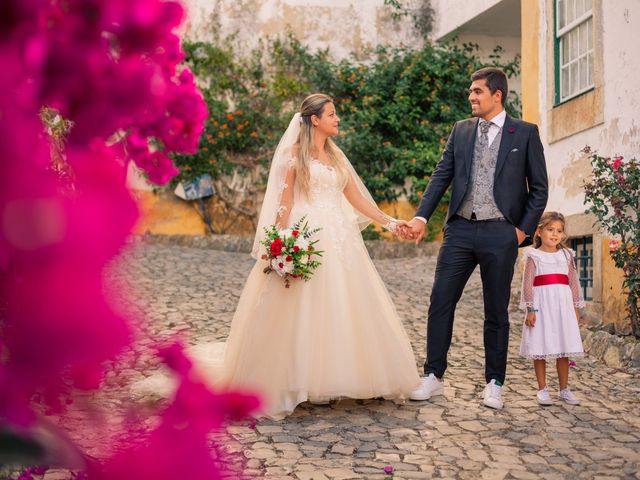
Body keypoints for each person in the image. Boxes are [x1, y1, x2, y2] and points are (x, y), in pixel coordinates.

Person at [200, 93, 421, 419]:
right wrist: (279, 243)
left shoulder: (336, 156)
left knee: (342, 306)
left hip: (342, 241)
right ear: (314, 119)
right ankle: (293, 382)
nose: (337, 119)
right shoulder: (293, 156)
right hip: (306, 236)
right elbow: (284, 202)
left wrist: (390, 222)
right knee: (300, 309)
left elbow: (356, 198)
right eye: (331, 114)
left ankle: (335, 377)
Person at [402, 67, 548, 409]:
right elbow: (442, 174)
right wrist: (422, 215)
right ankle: (433, 375)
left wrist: (520, 231)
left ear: (497, 95)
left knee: (495, 310)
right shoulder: (462, 130)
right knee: (441, 300)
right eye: (471, 91)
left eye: (477, 91)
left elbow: (539, 189)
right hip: (460, 230)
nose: (471, 97)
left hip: (502, 231)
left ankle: (494, 382)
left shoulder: (524, 133)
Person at [519, 211, 585, 405]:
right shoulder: (533, 255)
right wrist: (530, 309)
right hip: (541, 304)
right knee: (540, 344)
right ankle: (542, 389)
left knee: (563, 348)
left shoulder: (566, 255)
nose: (555, 234)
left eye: (559, 231)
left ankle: (564, 389)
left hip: (563, 306)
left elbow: (573, 282)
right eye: (550, 230)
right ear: (539, 232)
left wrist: (576, 307)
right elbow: (527, 283)